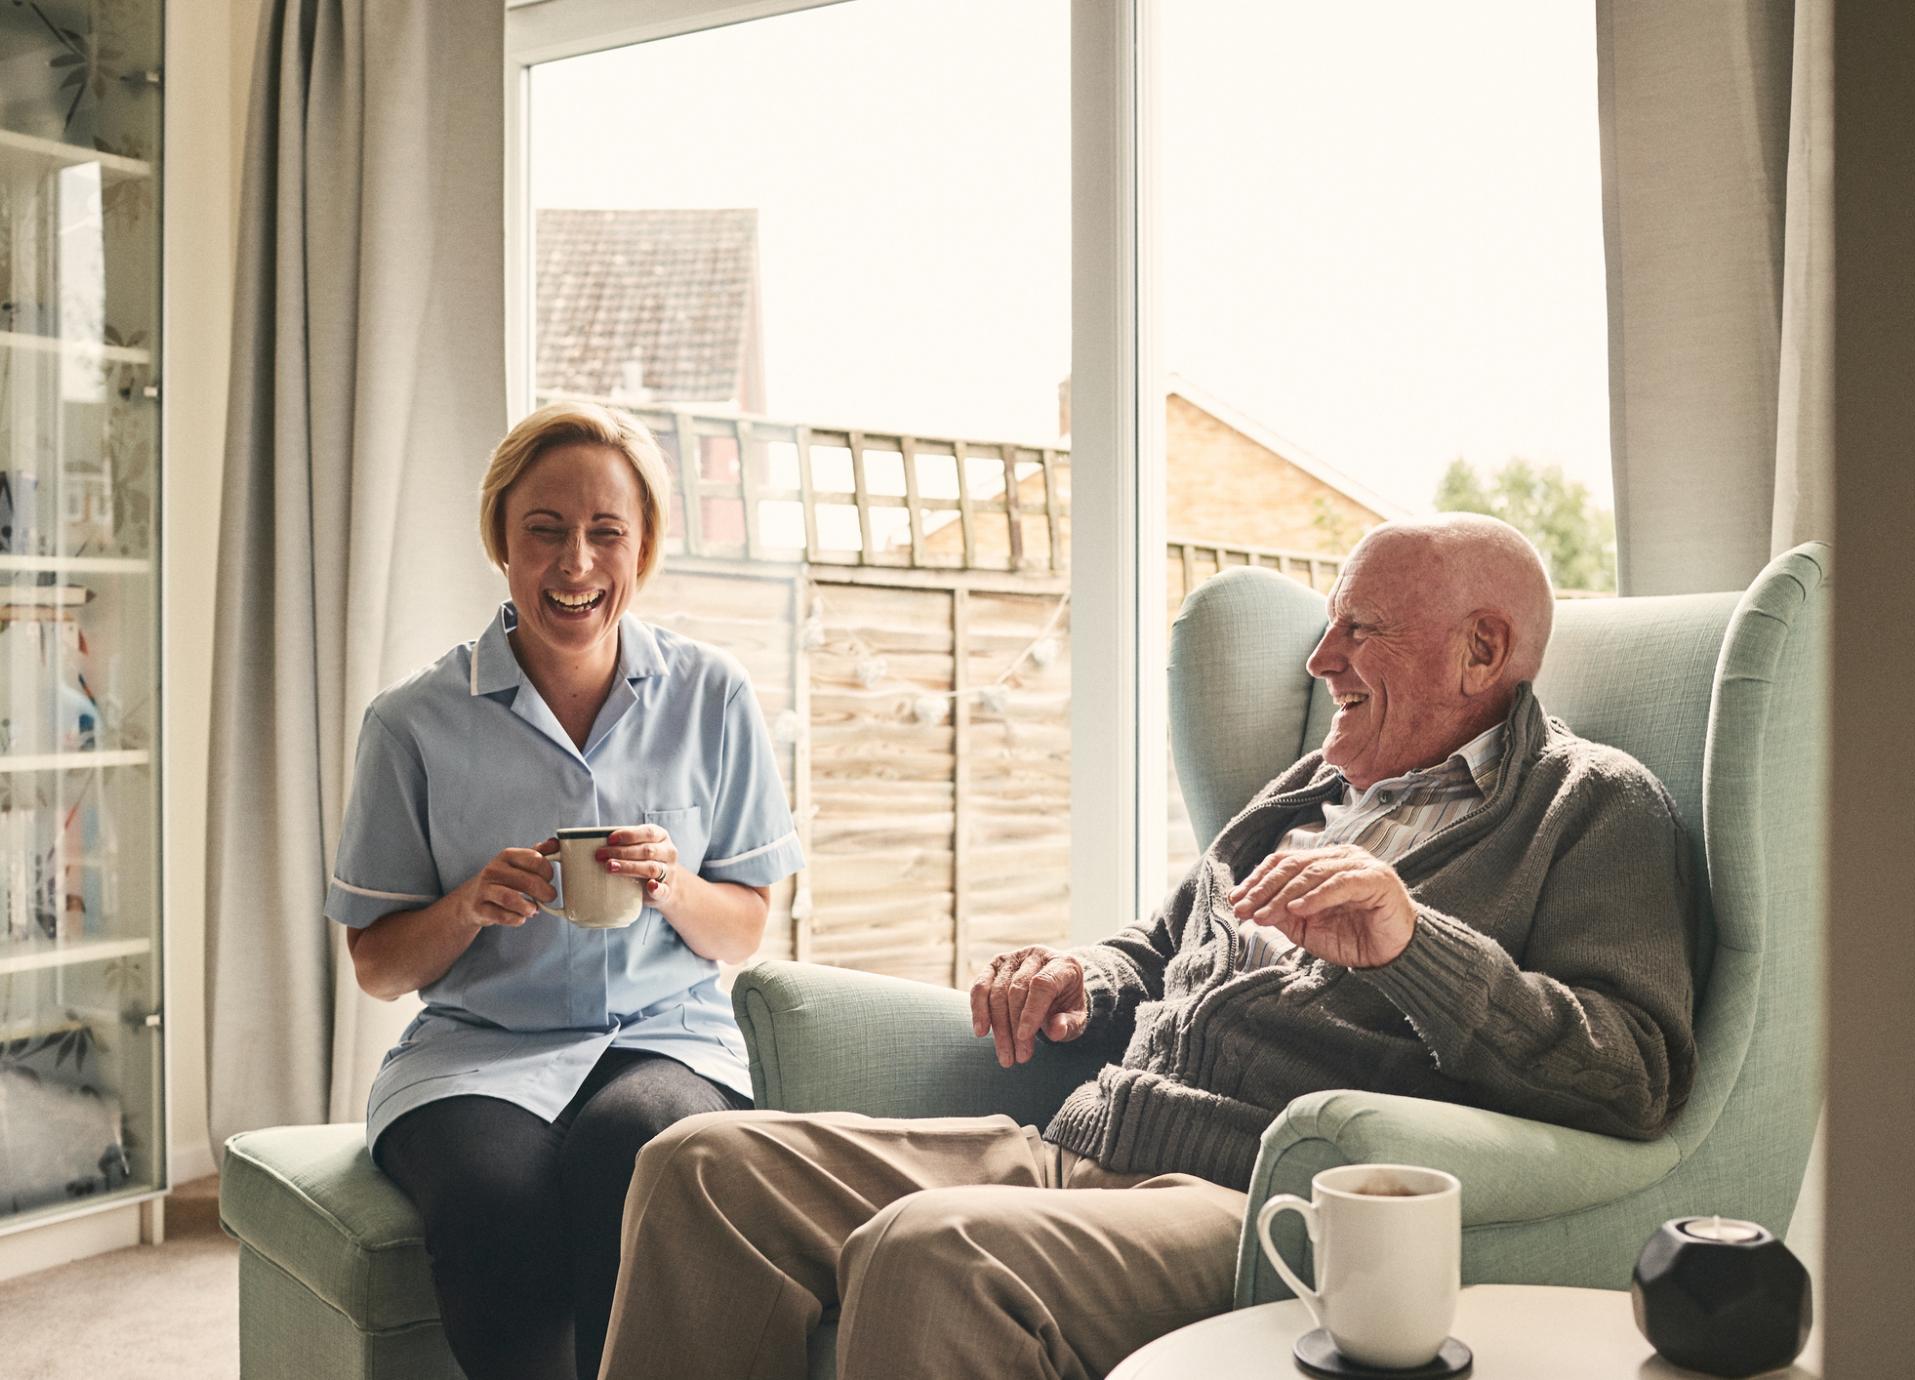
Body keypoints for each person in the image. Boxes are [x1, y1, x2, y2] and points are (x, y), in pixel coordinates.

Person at [597, 513, 1702, 1380]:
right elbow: (1167, 936)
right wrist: (1087, 972)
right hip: (1081, 1144)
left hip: (1250, 1196)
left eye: (1360, 629)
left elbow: (1634, 1074)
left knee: (935, 1252)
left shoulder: (1588, 807)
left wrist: (1410, 942)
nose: (1320, 660)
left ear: (1481, 650)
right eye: (1328, 624)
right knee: (700, 1167)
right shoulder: (1311, 787)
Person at [324, 401, 803, 1380]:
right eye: (544, 530)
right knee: (492, 1203)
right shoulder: (411, 724)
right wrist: (466, 906)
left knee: (638, 1154)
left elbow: (746, 926)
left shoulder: (713, 695)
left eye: (604, 533)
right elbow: (375, 965)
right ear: (501, 539)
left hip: (664, 1037)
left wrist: (668, 884)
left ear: (643, 548)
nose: (574, 563)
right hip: (475, 1053)